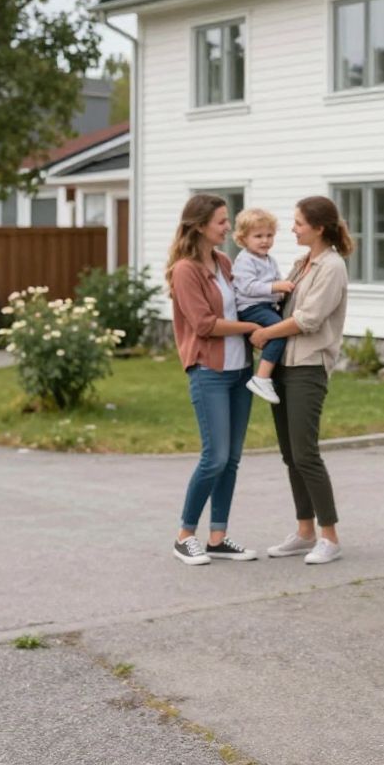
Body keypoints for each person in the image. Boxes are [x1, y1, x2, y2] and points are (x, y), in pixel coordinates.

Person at [247, 196, 351, 565]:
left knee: (306, 453)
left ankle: (330, 536)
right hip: (283, 368)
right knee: (290, 455)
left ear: (319, 228)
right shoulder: (300, 263)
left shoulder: (332, 267)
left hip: (308, 365)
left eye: (298, 223)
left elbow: (308, 319)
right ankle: (305, 531)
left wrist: (264, 335)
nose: (292, 229)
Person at [167, 193, 261, 566]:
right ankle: (185, 535)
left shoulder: (223, 262)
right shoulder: (185, 270)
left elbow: (244, 297)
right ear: (201, 225)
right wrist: (252, 326)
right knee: (215, 456)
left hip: (240, 372)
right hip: (209, 371)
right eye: (222, 221)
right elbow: (204, 324)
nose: (228, 227)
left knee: (232, 459)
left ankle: (218, 537)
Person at [231, 207, 296, 405]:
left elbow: (275, 283)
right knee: (279, 331)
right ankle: (261, 378)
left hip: (265, 307)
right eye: (258, 236)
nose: (265, 240)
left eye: (269, 235)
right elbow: (248, 287)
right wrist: (276, 286)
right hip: (251, 308)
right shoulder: (245, 260)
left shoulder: (270, 260)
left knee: (278, 332)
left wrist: (281, 289)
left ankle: (269, 374)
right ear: (243, 239)